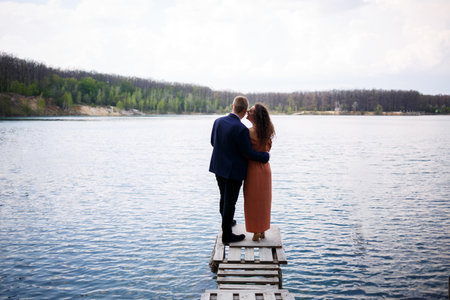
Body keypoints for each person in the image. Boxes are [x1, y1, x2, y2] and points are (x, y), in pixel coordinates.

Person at [209, 96, 270, 244]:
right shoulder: (241, 129)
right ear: (244, 111)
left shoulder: (218, 122)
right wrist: (264, 157)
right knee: (230, 203)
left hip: (218, 167)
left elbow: (213, 142)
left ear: (232, 106)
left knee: (224, 198)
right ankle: (227, 236)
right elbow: (247, 153)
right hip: (233, 172)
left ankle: (227, 222)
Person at [243, 103, 275, 241]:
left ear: (255, 116)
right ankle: (262, 230)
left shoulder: (248, 132)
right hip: (266, 169)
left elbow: (245, 152)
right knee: (264, 201)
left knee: (252, 201)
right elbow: (267, 149)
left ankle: (256, 232)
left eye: (251, 111)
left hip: (253, 169)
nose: (248, 112)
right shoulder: (267, 131)